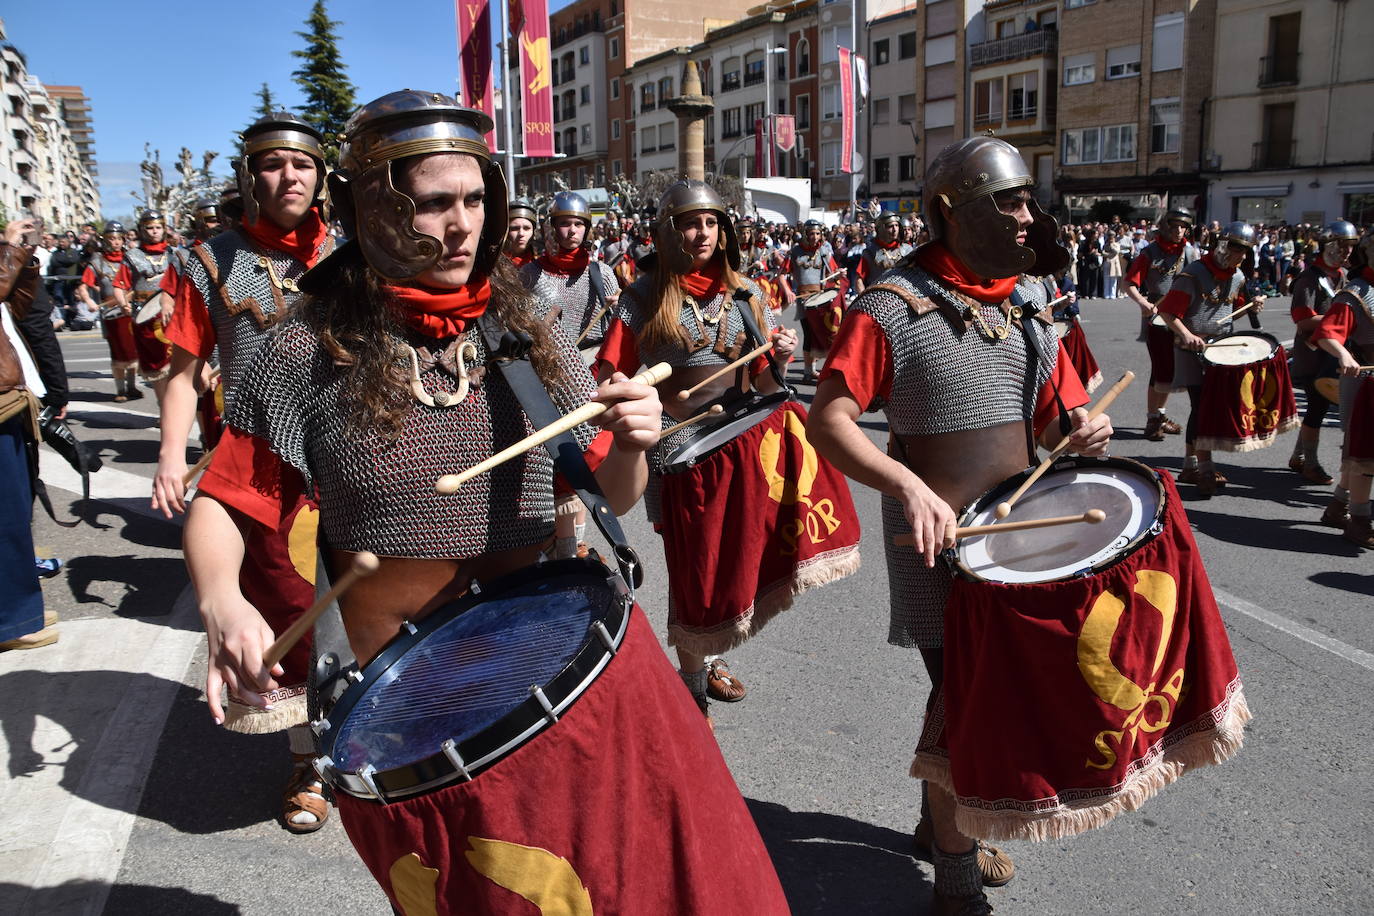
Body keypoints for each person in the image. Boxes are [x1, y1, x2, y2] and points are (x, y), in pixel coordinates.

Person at [185, 90, 789, 914]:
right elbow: (225, 500)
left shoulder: (527, 329)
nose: (463, 224)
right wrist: (222, 601)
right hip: (414, 711)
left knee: (634, 881)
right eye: (434, 203)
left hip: (558, 675)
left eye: (474, 198)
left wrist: (639, 442)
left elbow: (608, 489)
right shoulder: (305, 347)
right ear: (373, 208)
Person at [807, 137, 1109, 914]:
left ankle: (937, 818)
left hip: (1017, 535)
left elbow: (1055, 419)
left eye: (1025, 200)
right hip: (938, 542)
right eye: (1008, 202)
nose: (1025, 216)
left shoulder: (1028, 305)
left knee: (986, 696)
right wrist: (905, 483)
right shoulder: (890, 306)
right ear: (951, 210)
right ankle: (955, 865)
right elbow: (830, 421)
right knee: (965, 701)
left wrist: (1079, 432)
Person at [594, 179, 860, 718]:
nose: (703, 233)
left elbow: (764, 383)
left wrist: (780, 358)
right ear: (669, 231)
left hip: (744, 448)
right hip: (679, 453)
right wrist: (638, 403)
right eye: (691, 222)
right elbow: (608, 377)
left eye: (712, 222)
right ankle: (692, 689)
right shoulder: (643, 296)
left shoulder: (746, 293)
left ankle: (706, 655)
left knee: (736, 561)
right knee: (696, 568)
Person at [154, 111, 335, 834]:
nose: (287, 176)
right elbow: (183, 368)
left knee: (369, 599)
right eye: (271, 164)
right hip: (261, 455)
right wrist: (171, 454)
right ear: (250, 176)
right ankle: (306, 759)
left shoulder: (356, 250)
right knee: (285, 607)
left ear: (321, 176)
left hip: (351, 443)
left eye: (300, 163)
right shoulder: (210, 259)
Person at [519, 191, 620, 559]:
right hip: (547, 373)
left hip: (587, 371)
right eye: (565, 223)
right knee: (548, 463)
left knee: (584, 459)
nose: (572, 230)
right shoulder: (530, 274)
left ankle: (573, 542)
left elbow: (619, 331)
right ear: (552, 227)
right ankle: (553, 539)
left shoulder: (601, 273)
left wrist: (613, 307)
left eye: (579, 224)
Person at [1155, 221, 1265, 497]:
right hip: (1192, 349)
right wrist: (1187, 334)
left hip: (1221, 350)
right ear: (1224, 245)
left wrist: (1251, 306)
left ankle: (1191, 464)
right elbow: (1168, 313)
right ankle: (1203, 466)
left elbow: (1225, 313)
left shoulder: (1237, 277)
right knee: (1202, 405)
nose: (1241, 257)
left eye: (1245, 252)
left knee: (1206, 406)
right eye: (1238, 250)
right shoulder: (1193, 274)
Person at [0, 217, 63, 650]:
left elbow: (21, 306)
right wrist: (8, 249)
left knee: (16, 512)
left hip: (12, 401)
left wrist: (26, 261)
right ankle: (13, 619)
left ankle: (22, 604)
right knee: (4, 517)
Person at [1309, 231, 1374, 546]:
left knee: (1358, 453)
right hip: (1363, 380)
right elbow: (1326, 333)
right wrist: (1345, 354)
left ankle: (1338, 506)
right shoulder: (1356, 293)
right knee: (1364, 454)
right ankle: (1360, 521)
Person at [1287, 220, 1358, 485]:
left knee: (1318, 407)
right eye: (1342, 245)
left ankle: (1299, 456)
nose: (1348, 251)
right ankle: (1311, 463)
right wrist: (1339, 318)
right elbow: (1302, 319)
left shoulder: (1341, 275)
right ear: (1329, 245)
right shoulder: (1309, 278)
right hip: (1313, 353)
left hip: (1332, 350)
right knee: (1317, 407)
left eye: (1351, 246)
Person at [1124, 207, 1199, 440]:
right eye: (1175, 226)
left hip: (1181, 318)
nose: (1179, 231)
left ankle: (1161, 414)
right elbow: (1129, 283)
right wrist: (1143, 303)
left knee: (1173, 371)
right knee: (1161, 369)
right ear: (1166, 226)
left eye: (1183, 226)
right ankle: (1152, 418)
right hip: (1156, 317)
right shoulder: (1150, 252)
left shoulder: (1191, 253)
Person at [76, 222, 141, 401]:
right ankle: (120, 390)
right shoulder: (97, 262)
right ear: (106, 240)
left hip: (131, 309)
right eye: (112, 239)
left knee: (133, 350)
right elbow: (83, 287)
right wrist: (89, 301)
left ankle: (132, 386)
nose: (116, 242)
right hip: (110, 313)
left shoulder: (132, 258)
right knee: (118, 350)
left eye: (119, 238)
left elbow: (141, 282)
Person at [125, 211, 175, 409]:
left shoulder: (176, 253)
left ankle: (175, 408)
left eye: (157, 228)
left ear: (164, 229)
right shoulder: (132, 256)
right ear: (142, 230)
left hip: (173, 315)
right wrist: (122, 300)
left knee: (177, 365)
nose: (154, 232)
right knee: (156, 367)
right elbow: (121, 283)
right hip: (146, 317)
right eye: (149, 228)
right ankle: (164, 407)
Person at [783, 218, 843, 381]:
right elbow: (782, 275)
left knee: (822, 333)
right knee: (809, 334)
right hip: (804, 300)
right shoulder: (795, 251)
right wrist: (788, 291)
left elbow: (833, 272)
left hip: (821, 298)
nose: (814, 237)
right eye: (811, 233)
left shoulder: (824, 251)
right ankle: (808, 371)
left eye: (817, 233)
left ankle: (816, 369)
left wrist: (840, 274)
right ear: (805, 234)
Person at [853, 211, 914, 294]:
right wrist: (865, 299)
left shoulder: (907, 250)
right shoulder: (870, 252)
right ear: (881, 229)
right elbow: (859, 279)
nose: (895, 229)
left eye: (896, 225)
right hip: (878, 298)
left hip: (903, 297)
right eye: (890, 226)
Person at [501, 198, 537, 268]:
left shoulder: (542, 264)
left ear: (533, 232)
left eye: (526, 228)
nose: (521, 234)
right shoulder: (493, 266)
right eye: (515, 228)